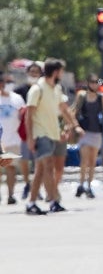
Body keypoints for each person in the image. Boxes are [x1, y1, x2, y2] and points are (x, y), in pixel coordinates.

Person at [25, 58, 84, 215]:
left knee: (41, 170)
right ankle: (52, 200)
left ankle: (33, 202)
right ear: (56, 72)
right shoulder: (38, 89)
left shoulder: (56, 89)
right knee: (47, 165)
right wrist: (30, 138)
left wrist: (74, 125)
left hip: (53, 134)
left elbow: (64, 109)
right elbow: (28, 115)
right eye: (61, 71)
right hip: (40, 134)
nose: (62, 74)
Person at [72, 74, 103, 198]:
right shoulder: (82, 96)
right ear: (88, 83)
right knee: (84, 160)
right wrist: (74, 126)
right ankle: (81, 184)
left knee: (92, 161)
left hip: (96, 132)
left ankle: (89, 185)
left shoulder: (101, 97)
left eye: (96, 82)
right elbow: (75, 111)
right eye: (92, 82)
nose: (94, 84)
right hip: (85, 132)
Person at [13, 61, 43, 200]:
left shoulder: (42, 90)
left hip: (40, 130)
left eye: (36, 72)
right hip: (24, 132)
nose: (34, 75)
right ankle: (27, 184)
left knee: (39, 161)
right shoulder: (19, 91)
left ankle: (37, 188)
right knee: (24, 160)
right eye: (32, 72)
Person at [0, 73, 25, 204]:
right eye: (6, 81)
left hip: (13, 139)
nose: (8, 84)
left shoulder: (17, 98)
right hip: (0, 139)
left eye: (10, 81)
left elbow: (24, 115)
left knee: (10, 168)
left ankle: (10, 195)